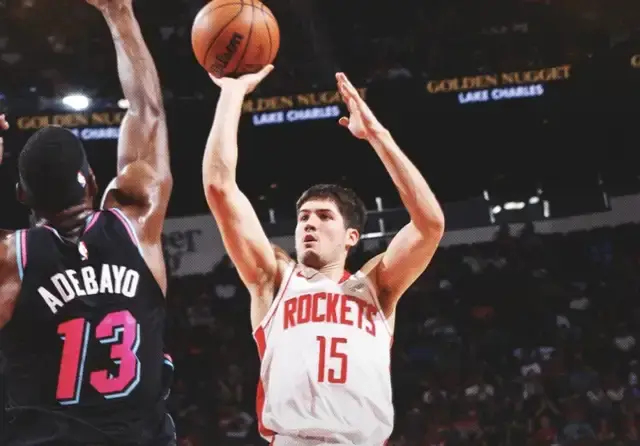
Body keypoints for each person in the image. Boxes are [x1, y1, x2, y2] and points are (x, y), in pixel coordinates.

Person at [202, 66, 445, 445]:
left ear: (352, 237)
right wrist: (232, 93)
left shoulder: (376, 286)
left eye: (324, 216)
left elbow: (430, 224)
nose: (309, 224)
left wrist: (377, 136)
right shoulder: (274, 279)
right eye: (303, 217)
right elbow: (219, 187)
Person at [0, 0, 173, 443]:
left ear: (21, 195)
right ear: (94, 181)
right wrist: (120, 13)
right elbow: (147, 114)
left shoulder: (11, 261)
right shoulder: (137, 223)